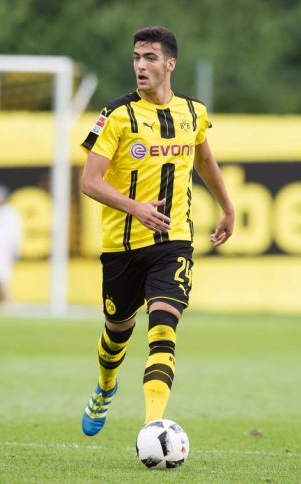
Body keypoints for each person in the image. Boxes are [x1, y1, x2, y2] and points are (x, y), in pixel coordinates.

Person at [79, 26, 234, 436]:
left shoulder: (194, 113)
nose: (140, 66)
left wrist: (227, 207)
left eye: (150, 58)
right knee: (117, 333)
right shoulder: (116, 115)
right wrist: (136, 209)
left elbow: (204, 160)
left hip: (173, 241)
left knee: (163, 328)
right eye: (136, 57)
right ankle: (105, 386)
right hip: (122, 246)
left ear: (170, 64)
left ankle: (153, 426)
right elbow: (89, 182)